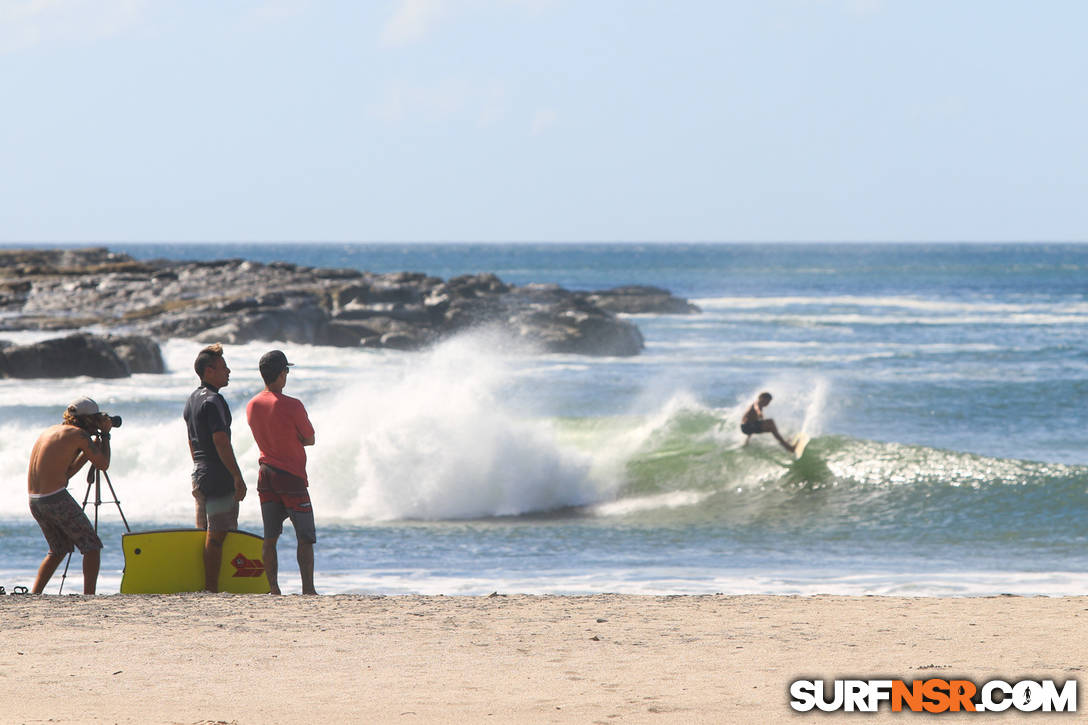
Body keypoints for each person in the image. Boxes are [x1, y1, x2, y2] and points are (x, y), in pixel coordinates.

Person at [246, 350, 317, 595]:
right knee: (305, 536)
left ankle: (273, 588)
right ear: (280, 374)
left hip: (266, 473)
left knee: (270, 537)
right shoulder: (293, 405)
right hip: (291, 476)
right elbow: (309, 438)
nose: (287, 375)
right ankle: (308, 589)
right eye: (286, 370)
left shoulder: (252, 405)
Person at [26, 397, 113, 594]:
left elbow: (66, 475)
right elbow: (103, 465)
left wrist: (87, 453)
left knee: (59, 549)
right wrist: (106, 436)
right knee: (91, 546)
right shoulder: (78, 435)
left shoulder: (52, 431)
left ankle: (34, 593)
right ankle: (89, 596)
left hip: (36, 500)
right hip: (55, 498)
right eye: (97, 419)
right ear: (87, 420)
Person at [183, 343, 247, 592]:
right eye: (223, 367)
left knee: (203, 532)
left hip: (200, 472)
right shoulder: (214, 400)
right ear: (209, 371)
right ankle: (211, 588)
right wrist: (236, 476)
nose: (228, 371)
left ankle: (205, 585)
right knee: (218, 535)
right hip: (218, 475)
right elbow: (221, 441)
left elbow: (191, 440)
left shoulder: (191, 400)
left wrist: (198, 467)